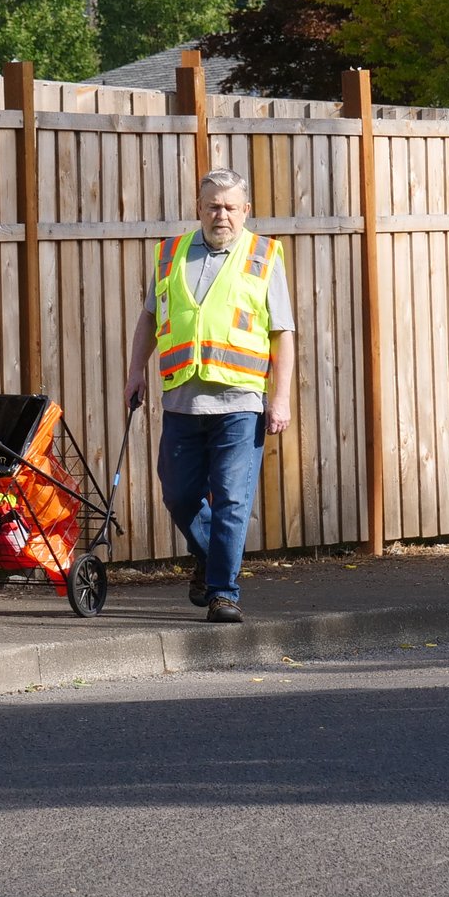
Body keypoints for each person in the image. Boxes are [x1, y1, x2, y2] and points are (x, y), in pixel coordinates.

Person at [123, 167, 296, 624]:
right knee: (179, 495)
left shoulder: (264, 256)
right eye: (213, 206)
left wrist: (280, 398)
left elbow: (282, 333)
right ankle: (209, 557)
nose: (222, 215)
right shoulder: (170, 254)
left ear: (246, 210)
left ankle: (223, 592)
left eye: (231, 207)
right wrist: (135, 372)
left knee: (232, 499)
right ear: (198, 208)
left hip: (241, 400)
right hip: (183, 400)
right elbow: (149, 318)